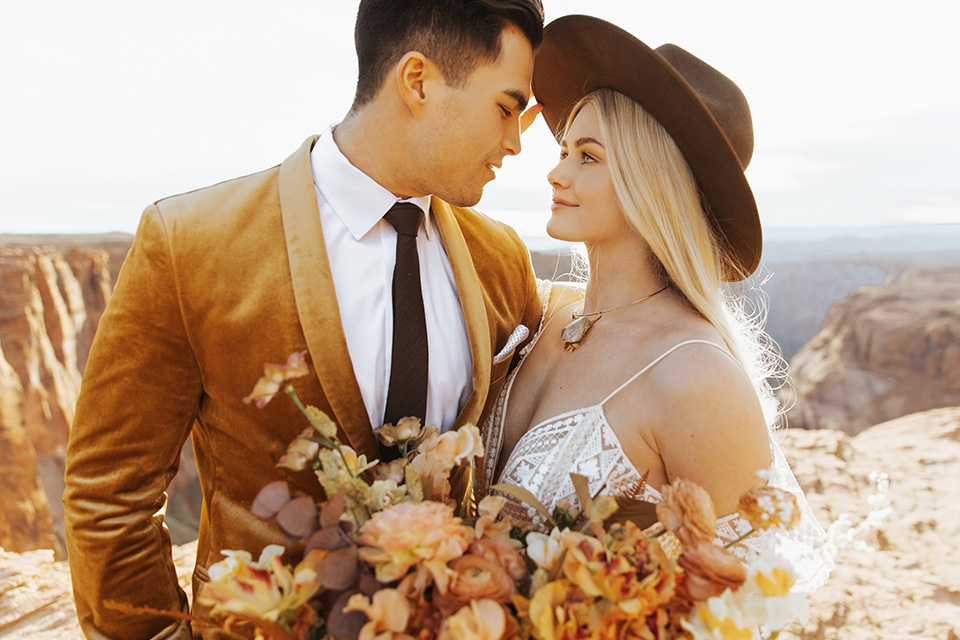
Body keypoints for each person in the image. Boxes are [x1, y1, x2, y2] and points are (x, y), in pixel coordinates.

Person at [63, 1, 545, 638]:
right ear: (418, 80)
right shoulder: (189, 242)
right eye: (507, 109)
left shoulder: (501, 259)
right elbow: (108, 493)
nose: (515, 144)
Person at [482, 15, 827, 580]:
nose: (554, 173)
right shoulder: (540, 313)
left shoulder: (696, 377)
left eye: (586, 156)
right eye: (565, 149)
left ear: (652, 181)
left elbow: (751, 603)